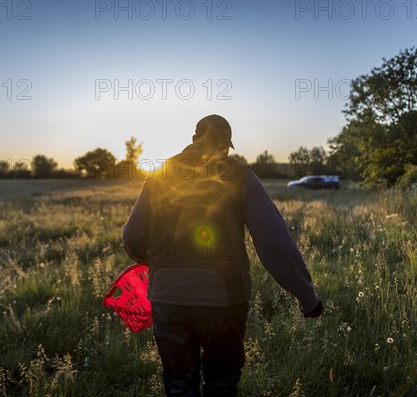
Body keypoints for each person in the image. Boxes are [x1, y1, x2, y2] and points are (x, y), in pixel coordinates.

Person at [123, 114, 323, 396]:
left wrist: (159, 265)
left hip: (167, 298)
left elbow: (132, 238)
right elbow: (274, 243)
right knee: (221, 382)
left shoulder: (161, 173)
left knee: (179, 383)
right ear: (226, 145)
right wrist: (307, 297)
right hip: (225, 300)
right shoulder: (240, 175)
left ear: (193, 140)